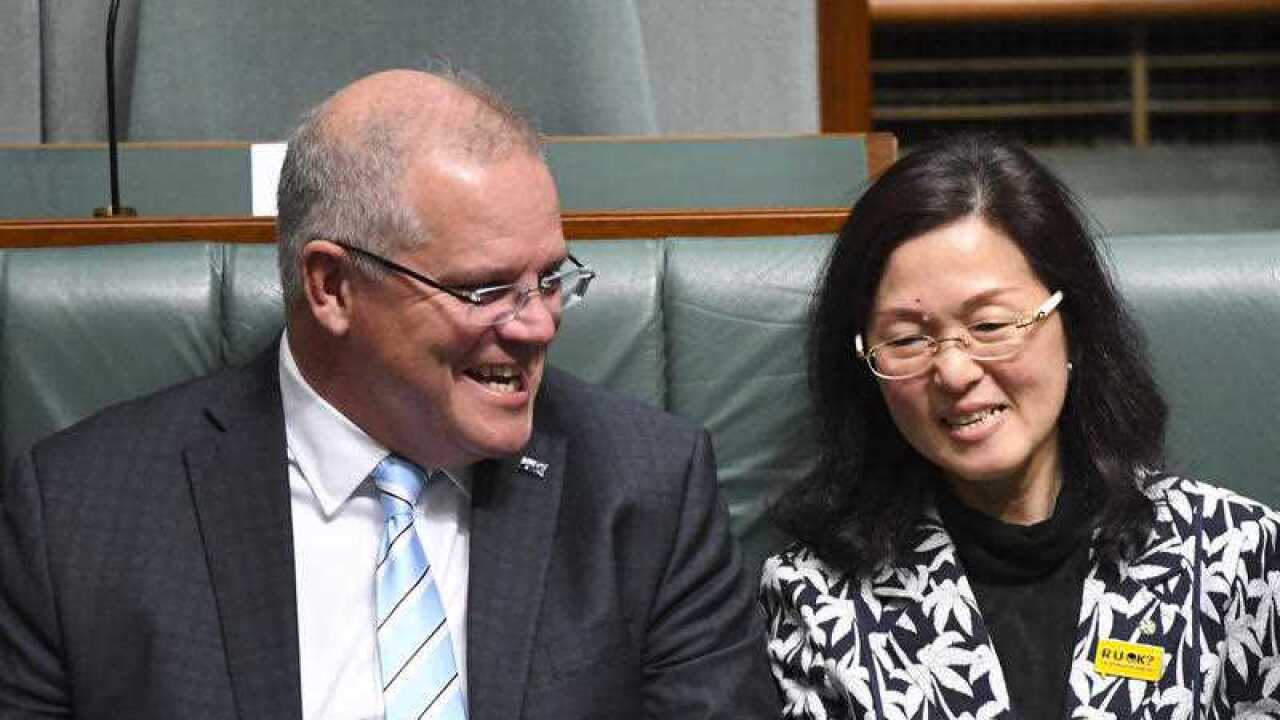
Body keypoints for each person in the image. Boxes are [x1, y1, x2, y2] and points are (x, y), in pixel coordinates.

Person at [0, 69, 778, 719]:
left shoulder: (644, 489)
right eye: (486, 290)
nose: (538, 325)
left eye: (550, 280)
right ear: (332, 286)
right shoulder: (78, 513)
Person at [761, 134, 1280, 719]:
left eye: (989, 325)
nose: (954, 371)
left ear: (1074, 327)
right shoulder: (816, 597)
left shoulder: (1236, 557)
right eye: (907, 338)